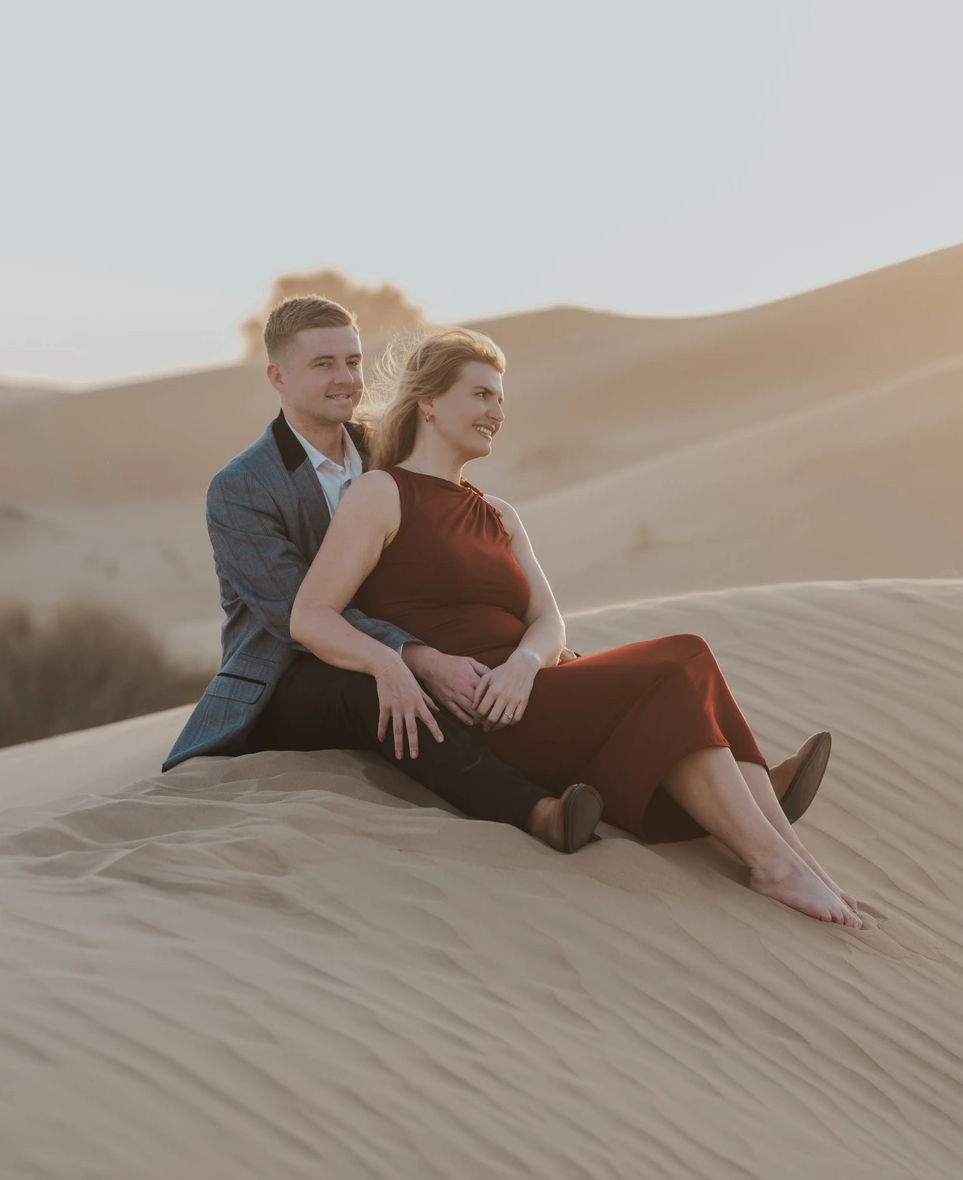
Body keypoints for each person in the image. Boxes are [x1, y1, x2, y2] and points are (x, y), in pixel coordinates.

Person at [290, 327, 862, 926]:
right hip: (481, 709)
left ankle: (797, 862)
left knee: (696, 682)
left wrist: (524, 665)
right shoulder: (382, 494)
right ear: (429, 401)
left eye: (502, 400)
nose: (498, 413)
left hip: (528, 687)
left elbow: (548, 620)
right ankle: (774, 863)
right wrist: (395, 663)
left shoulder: (498, 513)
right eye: (482, 395)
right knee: (684, 657)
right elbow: (311, 615)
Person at [162, 295, 605, 852]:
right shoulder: (241, 488)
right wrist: (411, 657)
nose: (345, 378)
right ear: (277, 376)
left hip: (396, 648)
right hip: (287, 680)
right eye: (323, 364)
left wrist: (521, 646)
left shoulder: (386, 450)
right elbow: (295, 614)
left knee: (510, 668)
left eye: (352, 361)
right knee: (375, 688)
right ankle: (536, 812)